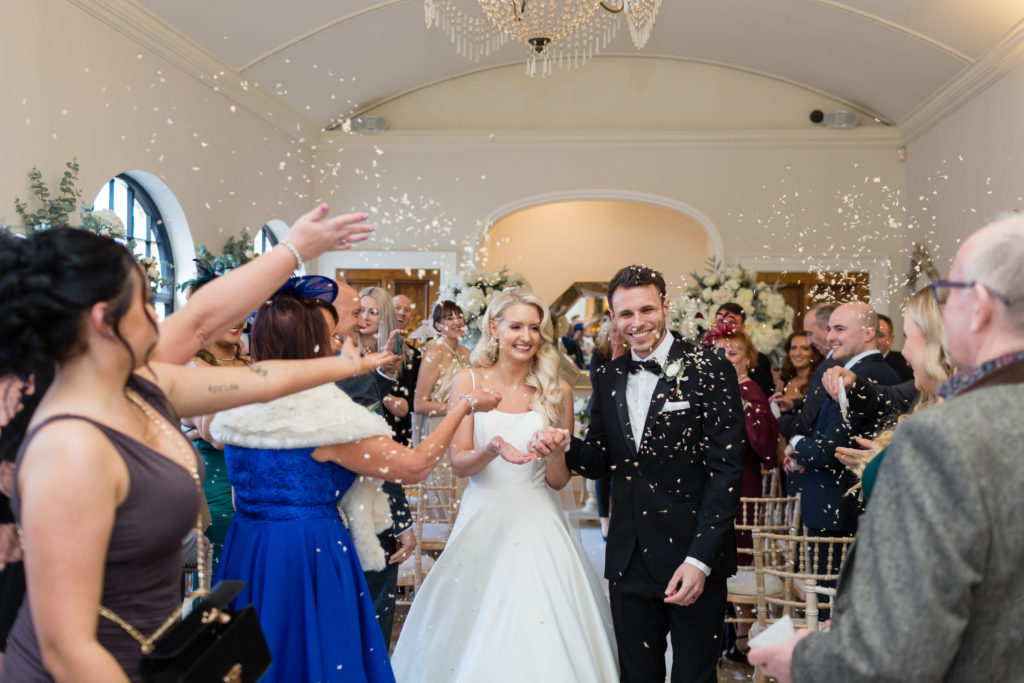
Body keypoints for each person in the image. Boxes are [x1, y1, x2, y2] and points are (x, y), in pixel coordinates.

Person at [0, 226, 387, 682]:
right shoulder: (69, 447)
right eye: (145, 302)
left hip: (159, 645)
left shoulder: (144, 384)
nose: (161, 315)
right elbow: (68, 649)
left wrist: (343, 364)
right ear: (105, 320)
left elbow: (259, 380)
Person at [750, 214, 1024, 683]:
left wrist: (805, 658)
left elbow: (899, 653)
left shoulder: (942, 437)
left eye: (947, 293)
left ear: (977, 307)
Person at [210, 280, 500, 683]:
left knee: (258, 656)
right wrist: (463, 407)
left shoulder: (238, 399)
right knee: (314, 655)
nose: (343, 344)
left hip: (248, 546)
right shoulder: (324, 417)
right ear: (312, 344)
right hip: (306, 550)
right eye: (335, 336)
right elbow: (415, 465)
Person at [391, 288, 617, 681]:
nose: (526, 336)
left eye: (534, 327)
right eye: (516, 326)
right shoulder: (469, 381)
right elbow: (460, 464)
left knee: (541, 621)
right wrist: (493, 448)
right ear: (494, 328)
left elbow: (559, 479)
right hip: (484, 513)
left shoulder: (555, 390)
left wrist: (554, 453)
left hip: (539, 518)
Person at [539, 265, 745, 683]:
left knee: (693, 677)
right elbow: (601, 458)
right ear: (613, 318)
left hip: (691, 557)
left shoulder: (710, 369)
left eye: (646, 310)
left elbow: (726, 473)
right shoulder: (609, 375)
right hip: (628, 556)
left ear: (666, 307)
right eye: (625, 314)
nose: (637, 324)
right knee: (636, 676)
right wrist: (564, 444)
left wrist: (700, 561)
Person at [782, 302, 901, 537]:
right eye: (828, 329)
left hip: (839, 511)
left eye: (839, 329)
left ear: (868, 334)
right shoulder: (887, 372)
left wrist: (795, 442)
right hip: (857, 509)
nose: (829, 337)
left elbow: (831, 451)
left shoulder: (855, 378)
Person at [825, 287, 954, 503]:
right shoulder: (931, 393)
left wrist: (885, 464)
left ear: (935, 340)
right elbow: (892, 398)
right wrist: (853, 383)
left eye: (907, 336)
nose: (903, 351)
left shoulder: (965, 415)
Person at [338, 284, 415, 645]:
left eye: (368, 312)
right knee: (369, 608)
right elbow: (373, 451)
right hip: (359, 500)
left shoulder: (307, 368)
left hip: (351, 498)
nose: (361, 320)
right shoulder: (345, 369)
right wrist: (401, 517)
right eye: (355, 312)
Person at [709, 325, 778, 664]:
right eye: (719, 352)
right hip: (712, 482)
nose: (725, 358)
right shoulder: (716, 389)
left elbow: (764, 446)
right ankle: (726, 630)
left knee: (740, 557)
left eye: (732, 352)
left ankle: (741, 636)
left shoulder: (750, 392)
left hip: (741, 485)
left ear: (748, 358)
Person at [180, 269, 250, 569]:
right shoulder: (193, 367)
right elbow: (220, 437)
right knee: (221, 586)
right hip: (218, 491)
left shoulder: (249, 361)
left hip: (257, 485)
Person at [772, 303, 838, 441]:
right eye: (793, 348)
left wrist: (776, 420)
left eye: (805, 348)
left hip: (809, 446)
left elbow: (812, 420)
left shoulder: (827, 369)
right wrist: (792, 404)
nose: (798, 353)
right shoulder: (783, 380)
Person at [588, 322, 629, 541]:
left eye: (619, 331)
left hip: (626, 415)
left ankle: (619, 516)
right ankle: (604, 518)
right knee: (603, 469)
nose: (616, 334)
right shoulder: (599, 354)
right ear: (607, 334)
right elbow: (598, 382)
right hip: (603, 414)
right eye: (613, 331)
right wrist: (615, 357)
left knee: (621, 468)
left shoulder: (633, 353)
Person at [713, 303, 774, 399]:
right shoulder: (704, 355)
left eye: (732, 323)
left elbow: (764, 397)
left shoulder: (759, 360)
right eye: (721, 321)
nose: (725, 326)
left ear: (742, 328)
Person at [876, 313, 914, 381]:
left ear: (891, 339)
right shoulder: (857, 362)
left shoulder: (906, 367)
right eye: (869, 334)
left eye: (880, 335)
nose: (874, 340)